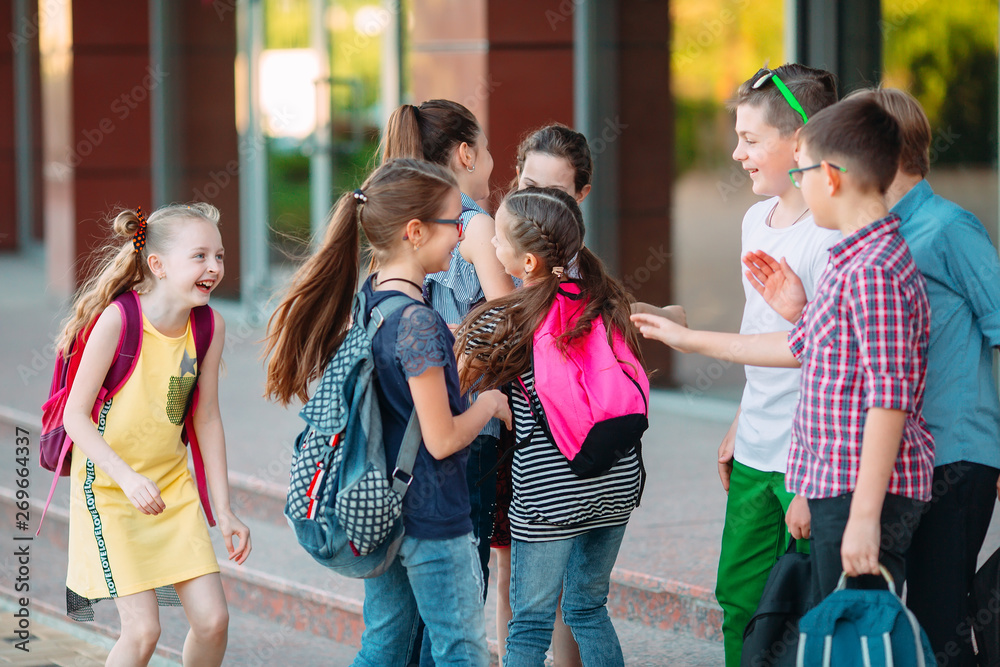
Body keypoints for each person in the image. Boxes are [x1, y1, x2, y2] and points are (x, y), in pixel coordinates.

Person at [632, 96, 934, 601]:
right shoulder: (854, 256)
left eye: (805, 171)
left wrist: (862, 517)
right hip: (834, 485)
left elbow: (889, 402)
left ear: (831, 177)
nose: (800, 180)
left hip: (857, 493)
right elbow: (802, 346)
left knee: (848, 636)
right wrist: (686, 339)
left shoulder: (873, 269)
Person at [746, 87, 1000, 666]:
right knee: (889, 622)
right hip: (892, 463)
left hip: (956, 457)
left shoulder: (948, 228)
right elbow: (842, 361)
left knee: (940, 621)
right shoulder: (863, 240)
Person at [264, 158, 511, 667]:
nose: (463, 234)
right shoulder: (419, 321)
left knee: (384, 649)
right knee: (461, 653)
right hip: (433, 516)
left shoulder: (373, 298)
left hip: (386, 509)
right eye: (453, 223)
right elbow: (441, 439)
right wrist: (487, 402)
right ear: (415, 232)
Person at [456, 187, 643, 667]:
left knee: (531, 625)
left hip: (549, 492)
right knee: (587, 608)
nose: (492, 247)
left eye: (498, 240)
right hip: (617, 482)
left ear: (529, 263)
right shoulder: (606, 300)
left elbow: (453, 380)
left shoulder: (506, 318)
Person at [59, 203, 251, 666]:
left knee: (212, 622)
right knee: (143, 631)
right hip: (110, 489)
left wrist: (223, 510)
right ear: (158, 265)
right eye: (200, 256)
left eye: (220, 256)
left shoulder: (208, 326)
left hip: (171, 488)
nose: (214, 267)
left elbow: (206, 418)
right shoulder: (118, 321)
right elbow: (74, 417)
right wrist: (126, 478)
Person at [697, 63, 840, 666]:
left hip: (810, 460)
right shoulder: (755, 220)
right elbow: (763, 336)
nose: (738, 153)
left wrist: (688, 339)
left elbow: (827, 358)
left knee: (810, 609)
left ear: (800, 142)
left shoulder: (830, 235)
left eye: (751, 140)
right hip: (756, 451)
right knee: (740, 599)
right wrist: (741, 417)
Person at [381, 102, 514, 638]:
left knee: (407, 606)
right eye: (485, 150)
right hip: (464, 426)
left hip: (402, 425)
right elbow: (509, 317)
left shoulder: (398, 220)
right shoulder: (473, 222)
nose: (491, 161)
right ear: (465, 153)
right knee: (460, 587)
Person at [493, 123, 595, 667]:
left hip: (566, 441)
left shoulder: (584, 269)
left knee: (571, 578)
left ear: (580, 198)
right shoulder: (493, 247)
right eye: (526, 183)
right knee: (511, 567)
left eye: (554, 192)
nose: (534, 200)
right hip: (505, 427)